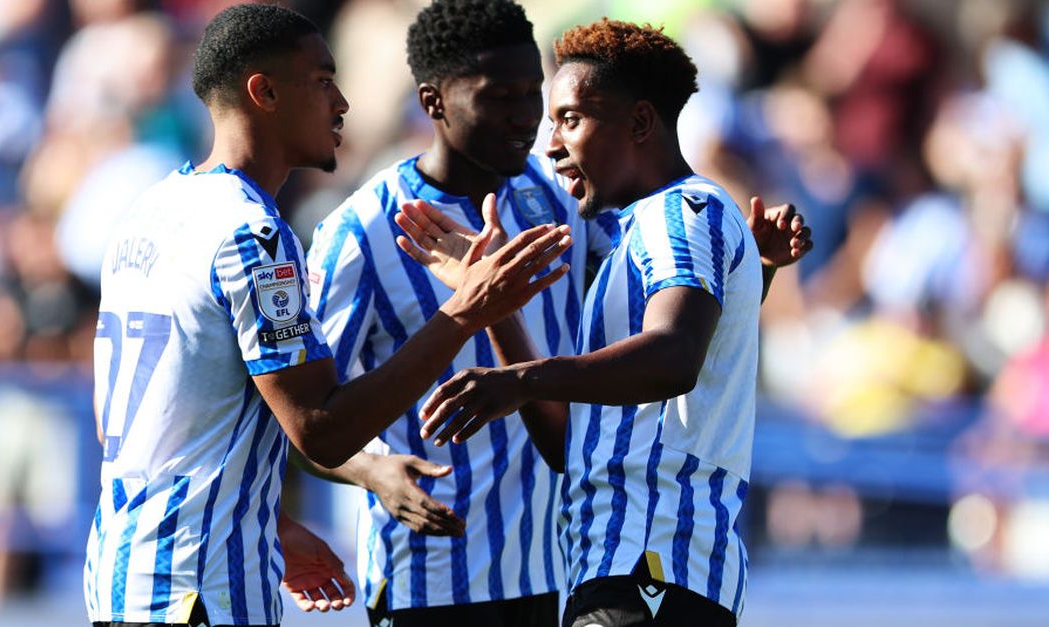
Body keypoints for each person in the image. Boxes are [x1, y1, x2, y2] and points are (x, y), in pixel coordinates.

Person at [304, 2, 810, 626]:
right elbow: (306, 420)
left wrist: (742, 275)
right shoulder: (362, 231)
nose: (527, 123)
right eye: (502, 98)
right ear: (434, 101)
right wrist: (372, 468)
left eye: (539, 101)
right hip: (435, 581)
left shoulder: (577, 205)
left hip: (592, 566)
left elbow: (675, 346)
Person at [81, 5, 572, 627]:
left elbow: (123, 424)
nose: (341, 102)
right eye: (321, 81)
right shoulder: (252, 233)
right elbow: (319, 428)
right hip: (203, 589)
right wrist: (467, 309)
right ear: (263, 92)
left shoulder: (147, 213)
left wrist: (271, 524)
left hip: (125, 573)